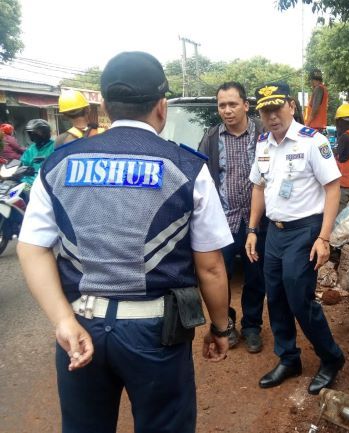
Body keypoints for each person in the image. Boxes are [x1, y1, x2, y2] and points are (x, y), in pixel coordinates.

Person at [17, 51, 232, 433]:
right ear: (162, 106)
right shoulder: (187, 168)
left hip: (81, 325)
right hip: (156, 335)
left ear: (103, 106)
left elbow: (31, 247)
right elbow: (211, 267)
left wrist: (63, 321)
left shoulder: (59, 163)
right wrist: (219, 328)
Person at [246, 82, 345, 395]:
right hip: (274, 232)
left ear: (291, 105)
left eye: (277, 108)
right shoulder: (263, 143)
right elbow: (258, 187)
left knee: (299, 298)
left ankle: (331, 357)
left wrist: (324, 238)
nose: (272, 116)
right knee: (275, 296)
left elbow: (333, 188)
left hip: (305, 231)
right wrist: (252, 229)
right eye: (265, 111)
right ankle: (289, 358)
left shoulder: (312, 141)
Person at [198, 81, 267, 353]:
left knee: (255, 276)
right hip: (223, 221)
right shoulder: (211, 138)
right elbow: (202, 177)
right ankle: (226, 323)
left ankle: (252, 326)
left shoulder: (262, 133)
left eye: (232, 104)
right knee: (220, 276)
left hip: (256, 221)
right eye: (222, 105)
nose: (227, 110)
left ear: (246, 105)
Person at [20, 119, 55, 186]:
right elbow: (23, 163)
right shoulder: (31, 149)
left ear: (45, 133)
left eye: (34, 134)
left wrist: (46, 160)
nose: (32, 136)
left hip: (46, 183)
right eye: (30, 134)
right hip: (28, 183)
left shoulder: (55, 146)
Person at [305, 69, 328, 133]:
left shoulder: (318, 89)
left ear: (312, 80)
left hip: (314, 126)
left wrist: (307, 124)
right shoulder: (323, 89)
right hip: (318, 126)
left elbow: (315, 109)